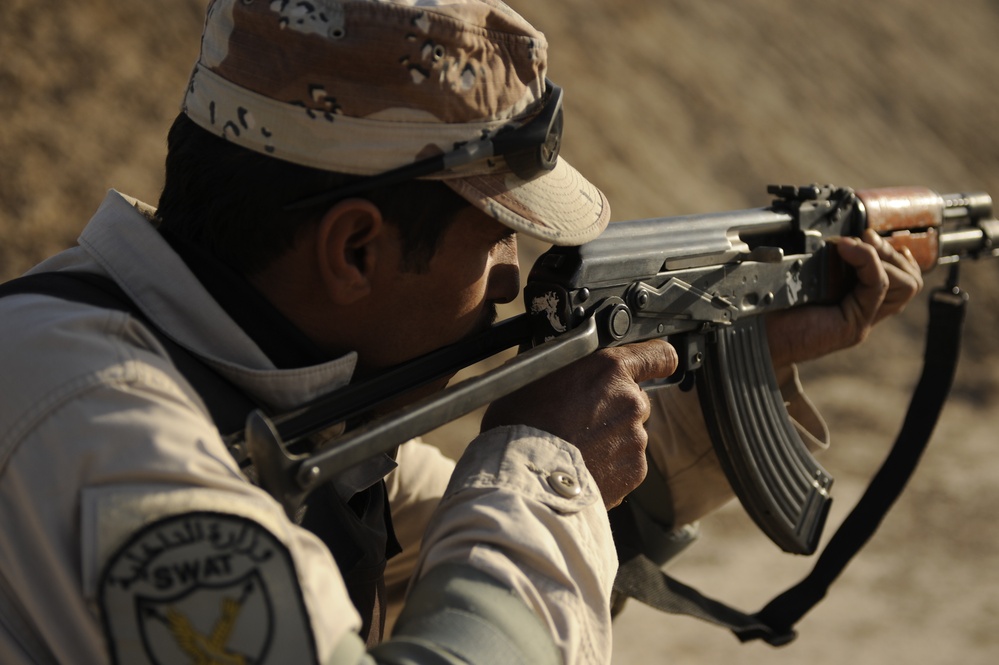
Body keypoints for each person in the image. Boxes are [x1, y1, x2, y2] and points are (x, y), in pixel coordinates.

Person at [0, 1, 922, 663]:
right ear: (355, 248)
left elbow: (501, 576)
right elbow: (515, 535)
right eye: (493, 243)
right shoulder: (102, 429)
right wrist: (537, 463)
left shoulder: (269, 399)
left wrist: (742, 356)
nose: (514, 276)